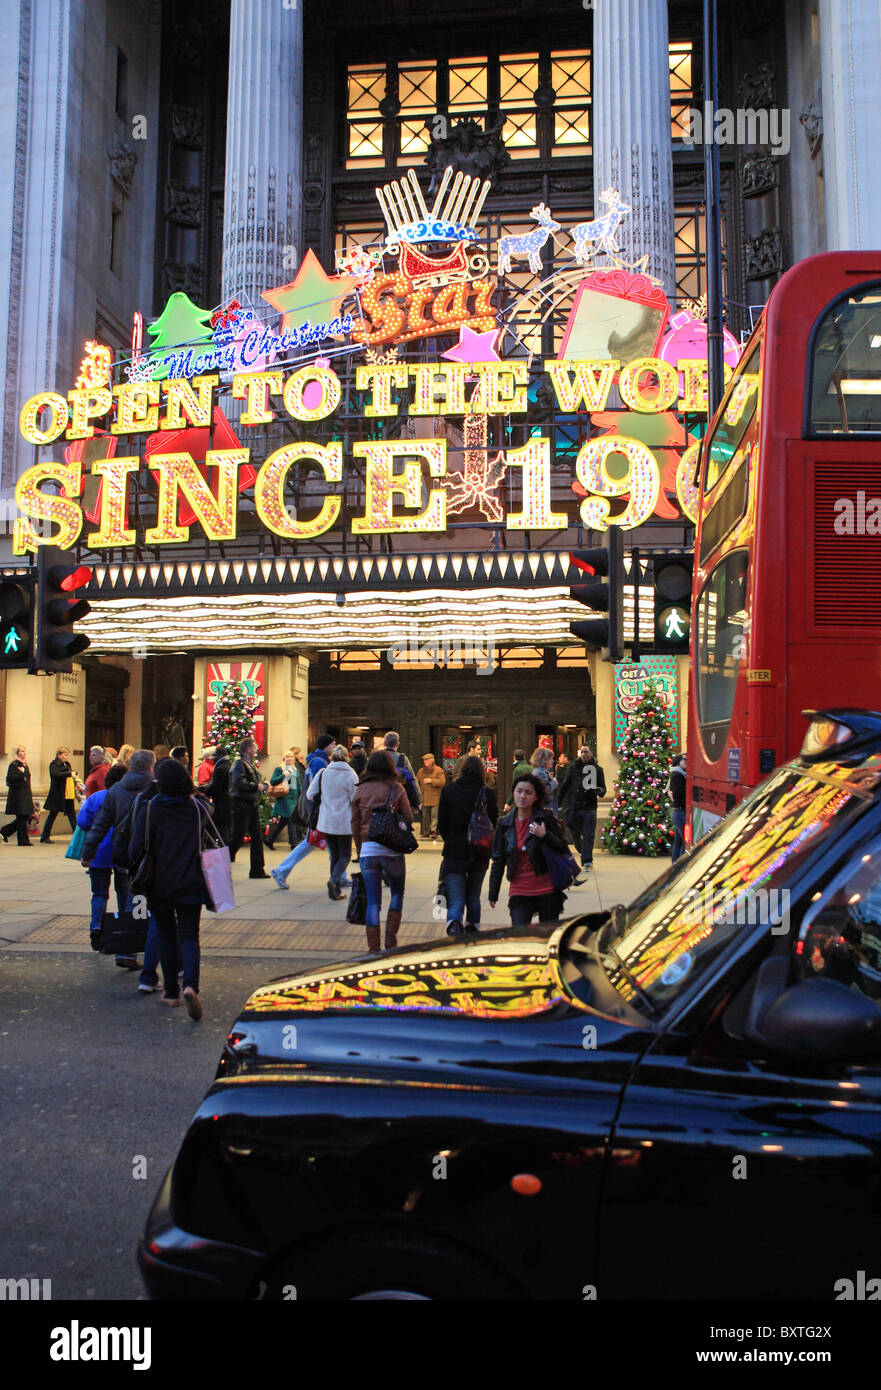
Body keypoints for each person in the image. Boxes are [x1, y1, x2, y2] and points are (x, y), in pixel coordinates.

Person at [129, 757, 211, 1020]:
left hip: (160, 883)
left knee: (166, 934)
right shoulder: (197, 808)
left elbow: (136, 848)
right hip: (191, 880)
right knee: (189, 935)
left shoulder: (151, 809)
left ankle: (172, 992)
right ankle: (191, 986)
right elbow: (212, 817)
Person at [82, 748, 160, 977]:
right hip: (148, 856)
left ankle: (126, 946)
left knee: (125, 897)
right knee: (139, 901)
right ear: (150, 767)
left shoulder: (116, 790)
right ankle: (131, 949)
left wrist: (89, 851)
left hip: (122, 854)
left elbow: (101, 824)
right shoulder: (155, 787)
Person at [488, 772, 570, 927]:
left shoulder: (545, 818)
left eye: (528, 792)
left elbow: (562, 846)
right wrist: (493, 892)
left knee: (546, 939)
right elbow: (498, 860)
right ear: (513, 793)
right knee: (519, 938)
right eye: (519, 791)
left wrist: (544, 835)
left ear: (536, 797)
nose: (522, 796)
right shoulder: (504, 824)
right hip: (519, 891)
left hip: (547, 890)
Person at [351, 749, 413, 952]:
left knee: (372, 903)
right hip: (392, 850)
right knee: (397, 895)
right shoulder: (397, 789)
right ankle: (391, 942)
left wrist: (360, 848)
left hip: (369, 850)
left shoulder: (360, 789)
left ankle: (373, 948)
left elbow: (355, 822)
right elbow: (408, 818)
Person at [437, 755, 499, 936]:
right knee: (473, 897)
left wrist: (450, 838)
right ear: (481, 771)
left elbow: (441, 823)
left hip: (454, 850)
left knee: (456, 900)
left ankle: (454, 926)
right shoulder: (487, 793)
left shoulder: (449, 791)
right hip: (479, 851)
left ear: (462, 770)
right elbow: (494, 821)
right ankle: (473, 931)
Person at [270, 734, 337, 889]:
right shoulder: (320, 762)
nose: (334, 747)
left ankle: (339, 875)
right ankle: (281, 870)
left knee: (319, 842)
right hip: (319, 808)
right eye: (332, 744)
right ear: (326, 745)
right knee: (321, 842)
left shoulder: (316, 760)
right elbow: (320, 785)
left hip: (317, 808)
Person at [77, 763, 128, 949]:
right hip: (122, 852)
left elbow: (82, 822)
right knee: (124, 893)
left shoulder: (96, 797)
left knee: (99, 893)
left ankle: (96, 926)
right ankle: (125, 927)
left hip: (98, 852)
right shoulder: (127, 798)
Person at [308, 745, 358, 899]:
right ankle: (334, 880)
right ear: (346, 758)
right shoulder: (351, 775)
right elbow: (355, 799)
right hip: (344, 821)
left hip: (327, 820)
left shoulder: (323, 773)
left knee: (335, 855)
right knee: (345, 855)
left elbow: (310, 794)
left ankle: (335, 890)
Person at [559, 744, 606, 872]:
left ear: (591, 753)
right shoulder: (573, 768)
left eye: (586, 752)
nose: (584, 754)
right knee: (575, 834)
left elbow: (603, 791)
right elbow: (565, 785)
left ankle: (587, 861)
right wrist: (557, 803)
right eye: (582, 752)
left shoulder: (597, 770)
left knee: (588, 835)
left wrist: (595, 789)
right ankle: (582, 850)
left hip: (589, 808)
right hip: (575, 807)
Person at [229, 737, 270, 878]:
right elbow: (238, 783)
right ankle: (224, 858)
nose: (257, 749)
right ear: (248, 749)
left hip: (250, 805)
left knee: (257, 838)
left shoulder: (248, 763)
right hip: (242, 805)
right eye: (255, 747)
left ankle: (257, 870)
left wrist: (262, 785)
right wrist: (256, 786)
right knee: (237, 837)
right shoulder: (239, 764)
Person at [265, 749, 303, 850]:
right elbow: (273, 781)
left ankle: (269, 840)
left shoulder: (294, 770)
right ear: (283, 758)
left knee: (284, 821)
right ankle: (294, 843)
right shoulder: (280, 769)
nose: (289, 758)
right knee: (291, 819)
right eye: (287, 757)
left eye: (291, 757)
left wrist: (301, 794)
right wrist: (283, 775)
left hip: (293, 798)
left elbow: (298, 784)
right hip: (284, 797)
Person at [40, 746, 78, 842]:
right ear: (59, 755)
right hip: (57, 793)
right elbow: (56, 774)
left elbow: (69, 773)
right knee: (52, 815)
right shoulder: (54, 764)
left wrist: (73, 773)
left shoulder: (67, 764)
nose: (67, 757)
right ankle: (45, 836)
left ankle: (78, 835)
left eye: (67, 755)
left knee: (72, 815)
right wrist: (69, 773)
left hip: (67, 793)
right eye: (65, 755)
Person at [383, 731, 421, 815]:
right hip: (396, 798)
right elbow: (411, 780)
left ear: (384, 743)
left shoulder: (375, 757)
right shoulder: (402, 759)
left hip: (377, 797)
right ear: (397, 744)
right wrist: (417, 801)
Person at [2, 746, 34, 846]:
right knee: (21, 817)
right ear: (17, 753)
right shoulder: (14, 765)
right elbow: (11, 779)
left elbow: (27, 780)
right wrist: (21, 773)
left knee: (24, 817)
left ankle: (5, 831)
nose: (24, 753)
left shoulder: (24, 765)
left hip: (25, 795)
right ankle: (23, 840)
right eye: (21, 751)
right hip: (17, 796)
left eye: (24, 751)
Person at [203, 745, 231, 844]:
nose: (213, 758)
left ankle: (222, 850)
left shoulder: (220, 768)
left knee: (220, 827)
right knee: (224, 827)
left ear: (220, 755)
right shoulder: (229, 765)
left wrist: (203, 790)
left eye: (214, 756)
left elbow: (216, 787)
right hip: (228, 801)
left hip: (221, 802)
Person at [416, 753, 445, 839]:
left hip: (435, 797)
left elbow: (442, 782)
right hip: (424, 797)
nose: (425, 762)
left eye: (427, 760)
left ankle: (434, 831)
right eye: (424, 760)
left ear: (432, 761)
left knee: (434, 815)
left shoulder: (438, 770)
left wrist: (431, 780)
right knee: (425, 815)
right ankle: (426, 831)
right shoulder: (421, 771)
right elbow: (416, 782)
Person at [669, 754, 688, 863]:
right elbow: (678, 793)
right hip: (679, 812)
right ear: (678, 762)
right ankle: (680, 865)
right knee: (685, 841)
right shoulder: (677, 775)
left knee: (678, 840)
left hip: (678, 811)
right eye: (684, 759)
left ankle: (674, 864)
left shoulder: (681, 774)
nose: (686, 761)